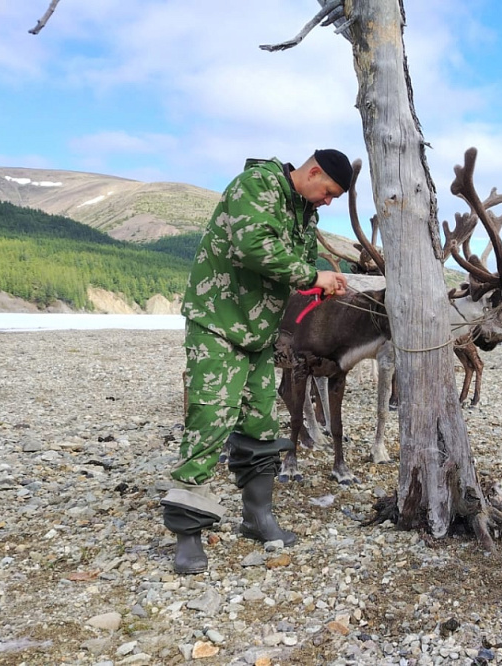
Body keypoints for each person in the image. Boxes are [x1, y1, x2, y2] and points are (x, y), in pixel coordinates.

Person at [161, 149, 353, 574]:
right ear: (313, 172)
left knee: (261, 424)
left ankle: (256, 516)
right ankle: (187, 533)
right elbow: (253, 247)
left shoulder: (305, 213)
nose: (327, 202)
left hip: (259, 332)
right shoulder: (257, 185)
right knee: (210, 419)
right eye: (328, 192)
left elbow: (292, 267)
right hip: (219, 322)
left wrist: (315, 285)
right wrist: (311, 276)